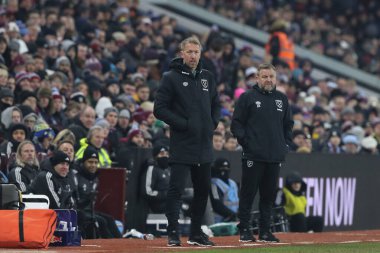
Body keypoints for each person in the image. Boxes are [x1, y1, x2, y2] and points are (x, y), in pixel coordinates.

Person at [153, 36, 220, 247]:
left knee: (203, 190)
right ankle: (173, 232)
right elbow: (159, 109)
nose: (193, 56)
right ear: (182, 54)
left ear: (201, 54)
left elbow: (216, 103)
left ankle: (195, 233)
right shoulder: (170, 77)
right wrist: (183, 124)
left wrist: (213, 123)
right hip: (182, 143)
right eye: (189, 52)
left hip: (204, 144)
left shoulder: (207, 77)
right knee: (176, 190)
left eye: (196, 52)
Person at [231, 63, 293, 243]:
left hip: (275, 156)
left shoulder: (282, 99)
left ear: (276, 79)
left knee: (268, 196)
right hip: (253, 155)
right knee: (248, 194)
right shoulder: (247, 97)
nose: (268, 80)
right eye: (264, 76)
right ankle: (244, 230)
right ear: (257, 78)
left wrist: (285, 145)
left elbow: (288, 125)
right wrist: (247, 143)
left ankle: (265, 231)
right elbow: (236, 124)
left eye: (271, 77)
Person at [74, 146, 122, 239]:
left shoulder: (95, 178)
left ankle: (121, 243)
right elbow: (75, 201)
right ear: (84, 162)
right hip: (78, 211)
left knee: (110, 219)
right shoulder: (76, 176)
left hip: (89, 210)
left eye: (96, 162)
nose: (93, 165)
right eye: (90, 162)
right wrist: (87, 198)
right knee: (101, 221)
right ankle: (110, 247)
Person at [210, 158, 239, 223]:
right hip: (221, 221)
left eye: (227, 169)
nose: (224, 172)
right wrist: (232, 214)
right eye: (222, 170)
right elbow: (217, 205)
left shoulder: (233, 183)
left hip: (235, 219)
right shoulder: (213, 184)